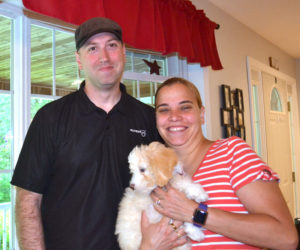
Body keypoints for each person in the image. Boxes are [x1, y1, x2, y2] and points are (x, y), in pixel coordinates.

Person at [11, 17, 163, 250]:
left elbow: (164, 191)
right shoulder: (50, 118)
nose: (104, 56)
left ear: (123, 52)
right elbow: (27, 202)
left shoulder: (148, 119)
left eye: (112, 45)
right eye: (92, 48)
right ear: (78, 59)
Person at [140, 77, 299, 249]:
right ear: (156, 119)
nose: (174, 117)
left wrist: (195, 213)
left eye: (185, 107)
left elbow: (286, 238)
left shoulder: (232, 153)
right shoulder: (154, 174)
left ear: (201, 114)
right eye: (164, 110)